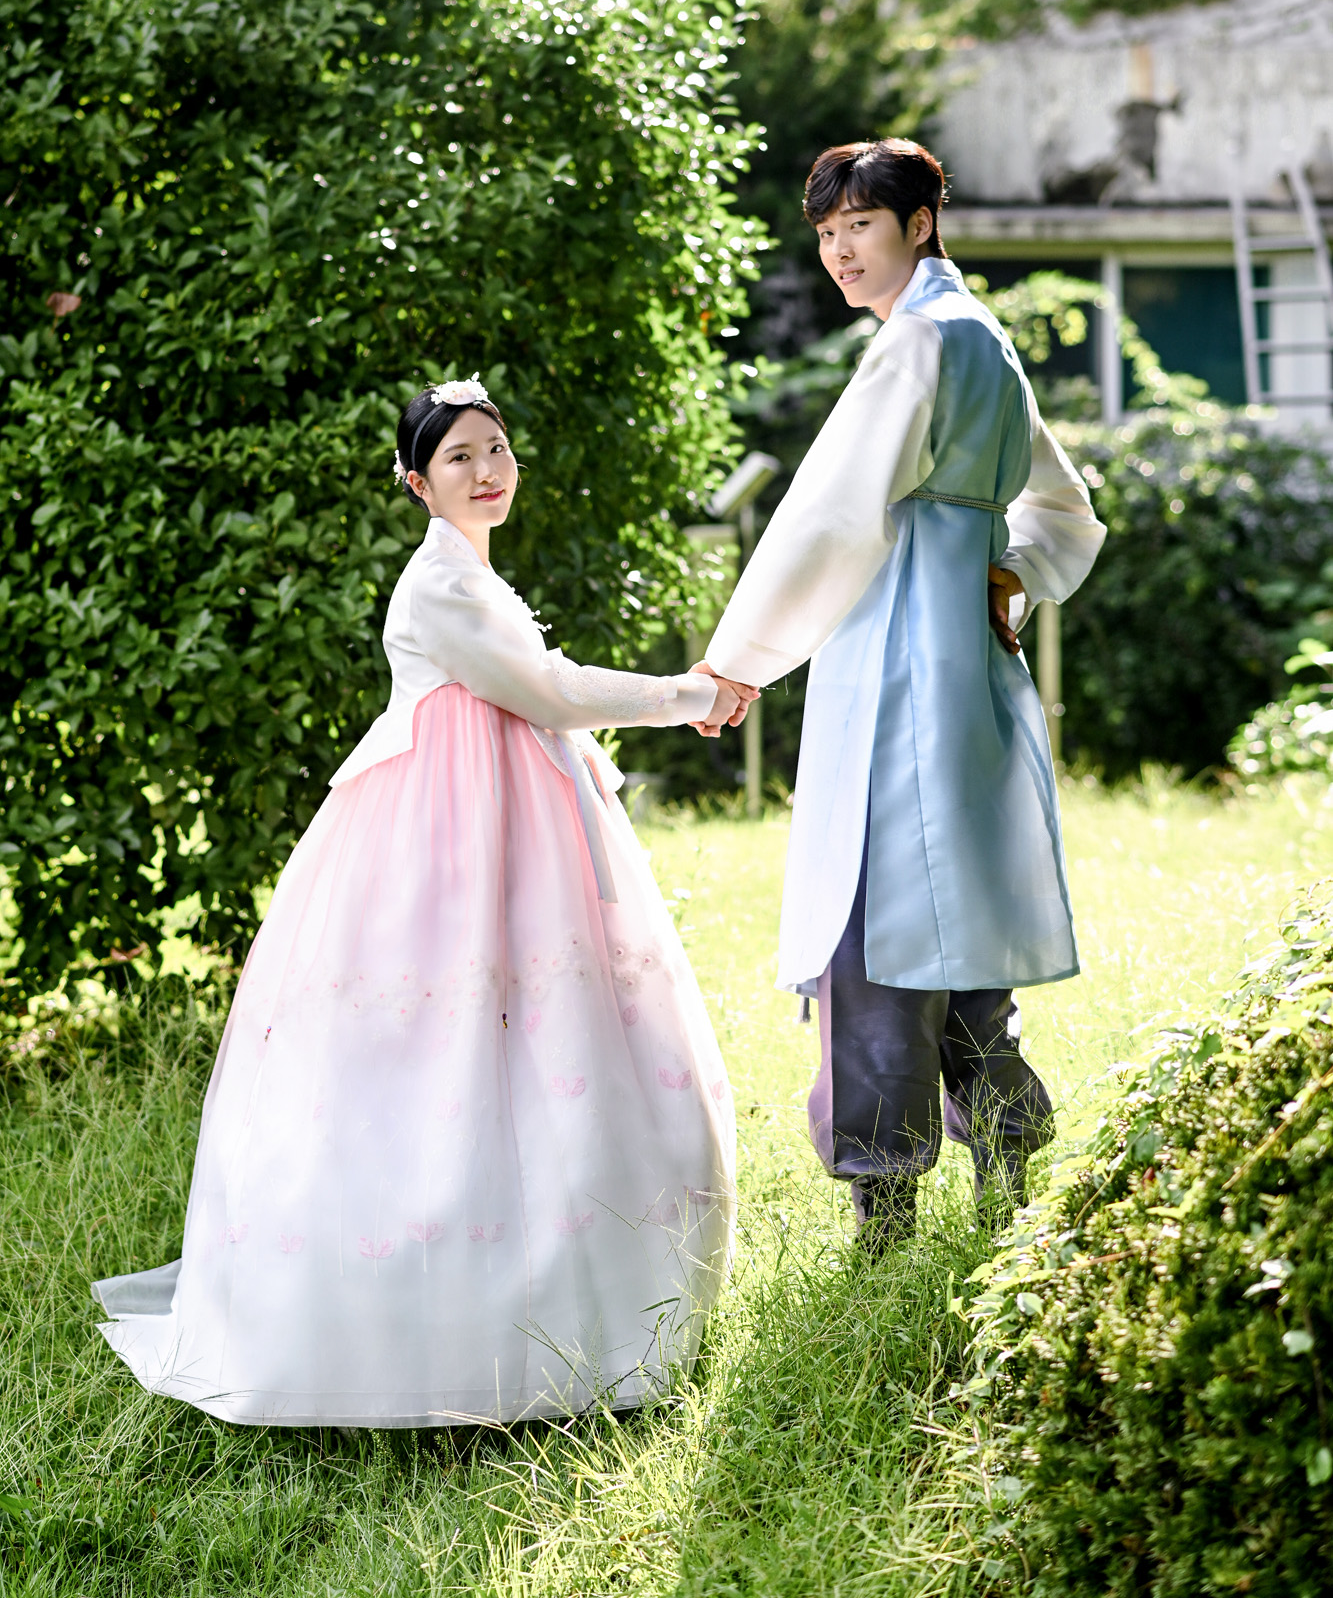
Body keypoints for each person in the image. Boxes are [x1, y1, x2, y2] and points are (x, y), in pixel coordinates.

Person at [94, 378, 739, 1427]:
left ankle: (584, 1288)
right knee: (442, 1046)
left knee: (545, 1036)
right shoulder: (438, 583)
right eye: (458, 458)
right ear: (416, 483)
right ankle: (440, 1313)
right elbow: (548, 689)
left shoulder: (471, 572)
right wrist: (689, 695)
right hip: (446, 846)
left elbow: (536, 688)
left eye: (497, 450)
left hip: (512, 832)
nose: (486, 471)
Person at [700, 140, 1106, 1250]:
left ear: (919, 223)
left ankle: (884, 1219)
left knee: (871, 932)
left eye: (861, 227)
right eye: (827, 233)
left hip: (890, 667)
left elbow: (830, 519)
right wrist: (1009, 574)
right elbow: (1066, 510)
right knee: (958, 920)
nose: (840, 251)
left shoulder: (916, 341)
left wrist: (736, 661)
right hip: (966, 671)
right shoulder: (982, 338)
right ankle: (1007, 1179)